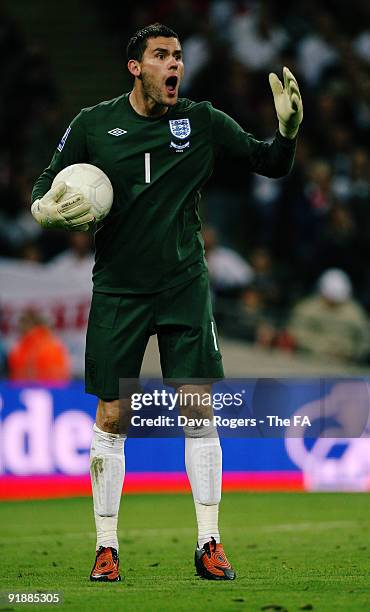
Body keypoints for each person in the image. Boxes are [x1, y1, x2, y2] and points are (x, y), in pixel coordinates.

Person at [30, 23, 302, 582]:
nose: (173, 65)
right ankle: (106, 547)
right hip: (118, 289)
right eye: (161, 56)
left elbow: (268, 161)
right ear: (136, 67)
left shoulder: (201, 122)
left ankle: (209, 542)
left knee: (198, 410)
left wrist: (289, 130)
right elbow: (42, 194)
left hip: (183, 284)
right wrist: (51, 213)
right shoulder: (93, 125)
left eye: (178, 56)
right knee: (112, 414)